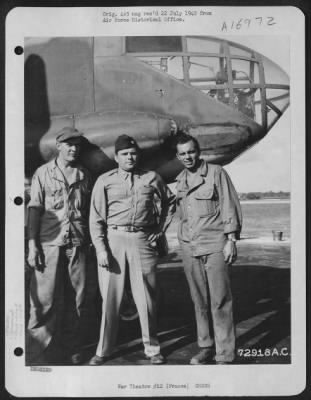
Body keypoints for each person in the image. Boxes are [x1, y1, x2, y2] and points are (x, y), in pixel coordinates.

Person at [88, 134, 175, 365]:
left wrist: (160, 227)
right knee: (110, 299)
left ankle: (152, 349)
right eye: (125, 154)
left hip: (142, 240)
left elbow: (170, 202)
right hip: (113, 240)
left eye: (133, 153)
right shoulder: (104, 181)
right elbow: (95, 218)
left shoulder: (151, 178)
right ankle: (103, 350)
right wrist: (101, 249)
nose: (130, 157)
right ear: (116, 157)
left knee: (147, 298)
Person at [26, 127, 92, 365]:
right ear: (59, 146)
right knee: (44, 301)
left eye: (77, 145)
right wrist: (32, 245)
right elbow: (34, 210)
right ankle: (36, 351)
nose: (74, 149)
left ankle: (72, 348)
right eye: (69, 145)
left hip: (77, 243)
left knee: (78, 300)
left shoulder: (84, 174)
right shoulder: (42, 174)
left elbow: (88, 212)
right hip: (49, 245)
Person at [175, 133, 242, 365]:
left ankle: (225, 353)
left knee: (220, 300)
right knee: (199, 300)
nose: (187, 157)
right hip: (189, 247)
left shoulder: (216, 173)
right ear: (178, 156)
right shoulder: (180, 179)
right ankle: (205, 346)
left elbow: (229, 205)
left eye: (191, 152)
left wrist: (231, 240)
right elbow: (181, 215)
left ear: (198, 151)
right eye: (182, 154)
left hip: (214, 244)